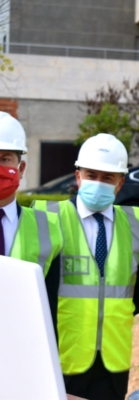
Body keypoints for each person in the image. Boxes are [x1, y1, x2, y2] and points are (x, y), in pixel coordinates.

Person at [33, 133, 139, 400]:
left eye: (107, 178)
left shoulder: (137, 223)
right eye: (91, 175)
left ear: (120, 184)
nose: (98, 183)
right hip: (62, 356)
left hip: (113, 361)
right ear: (78, 177)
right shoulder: (47, 217)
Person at [0, 111, 63, 326]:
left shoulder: (48, 229)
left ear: (21, 168)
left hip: (22, 345)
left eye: (4, 158)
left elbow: (51, 304)